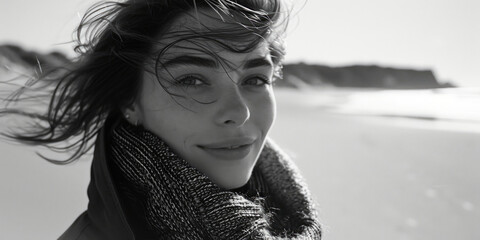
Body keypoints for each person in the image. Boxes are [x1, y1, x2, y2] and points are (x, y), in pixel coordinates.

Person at [1, 0, 322, 239]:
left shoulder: (293, 217)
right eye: (191, 80)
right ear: (130, 100)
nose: (239, 113)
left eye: (255, 80)